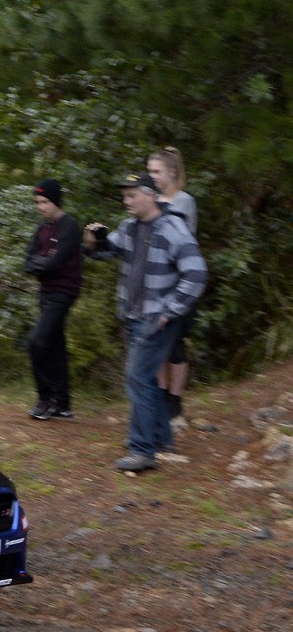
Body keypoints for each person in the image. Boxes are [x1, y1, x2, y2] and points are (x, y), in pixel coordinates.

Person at [83, 172, 207, 472]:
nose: (127, 201)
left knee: (137, 377)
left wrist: (170, 310)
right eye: (124, 196)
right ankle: (161, 439)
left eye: (132, 195)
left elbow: (196, 273)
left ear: (150, 195)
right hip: (134, 316)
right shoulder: (130, 227)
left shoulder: (172, 227)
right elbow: (108, 251)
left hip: (157, 319)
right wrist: (92, 241)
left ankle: (142, 450)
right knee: (146, 378)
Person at [146, 147, 198, 432]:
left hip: (177, 284)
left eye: (156, 171)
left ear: (172, 172)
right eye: (150, 172)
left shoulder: (184, 201)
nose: (152, 176)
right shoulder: (149, 198)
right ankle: (162, 400)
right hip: (153, 284)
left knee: (175, 345)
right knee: (158, 345)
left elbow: (184, 243)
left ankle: (175, 405)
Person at [24, 178, 83, 420]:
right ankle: (63, 403)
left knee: (36, 342)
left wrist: (43, 262)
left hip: (63, 291)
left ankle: (45, 399)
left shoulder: (69, 227)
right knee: (55, 345)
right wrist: (42, 262)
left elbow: (54, 264)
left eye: (45, 201)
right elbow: (27, 263)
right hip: (45, 292)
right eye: (38, 202)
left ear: (56, 201)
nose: (41, 206)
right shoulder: (42, 229)